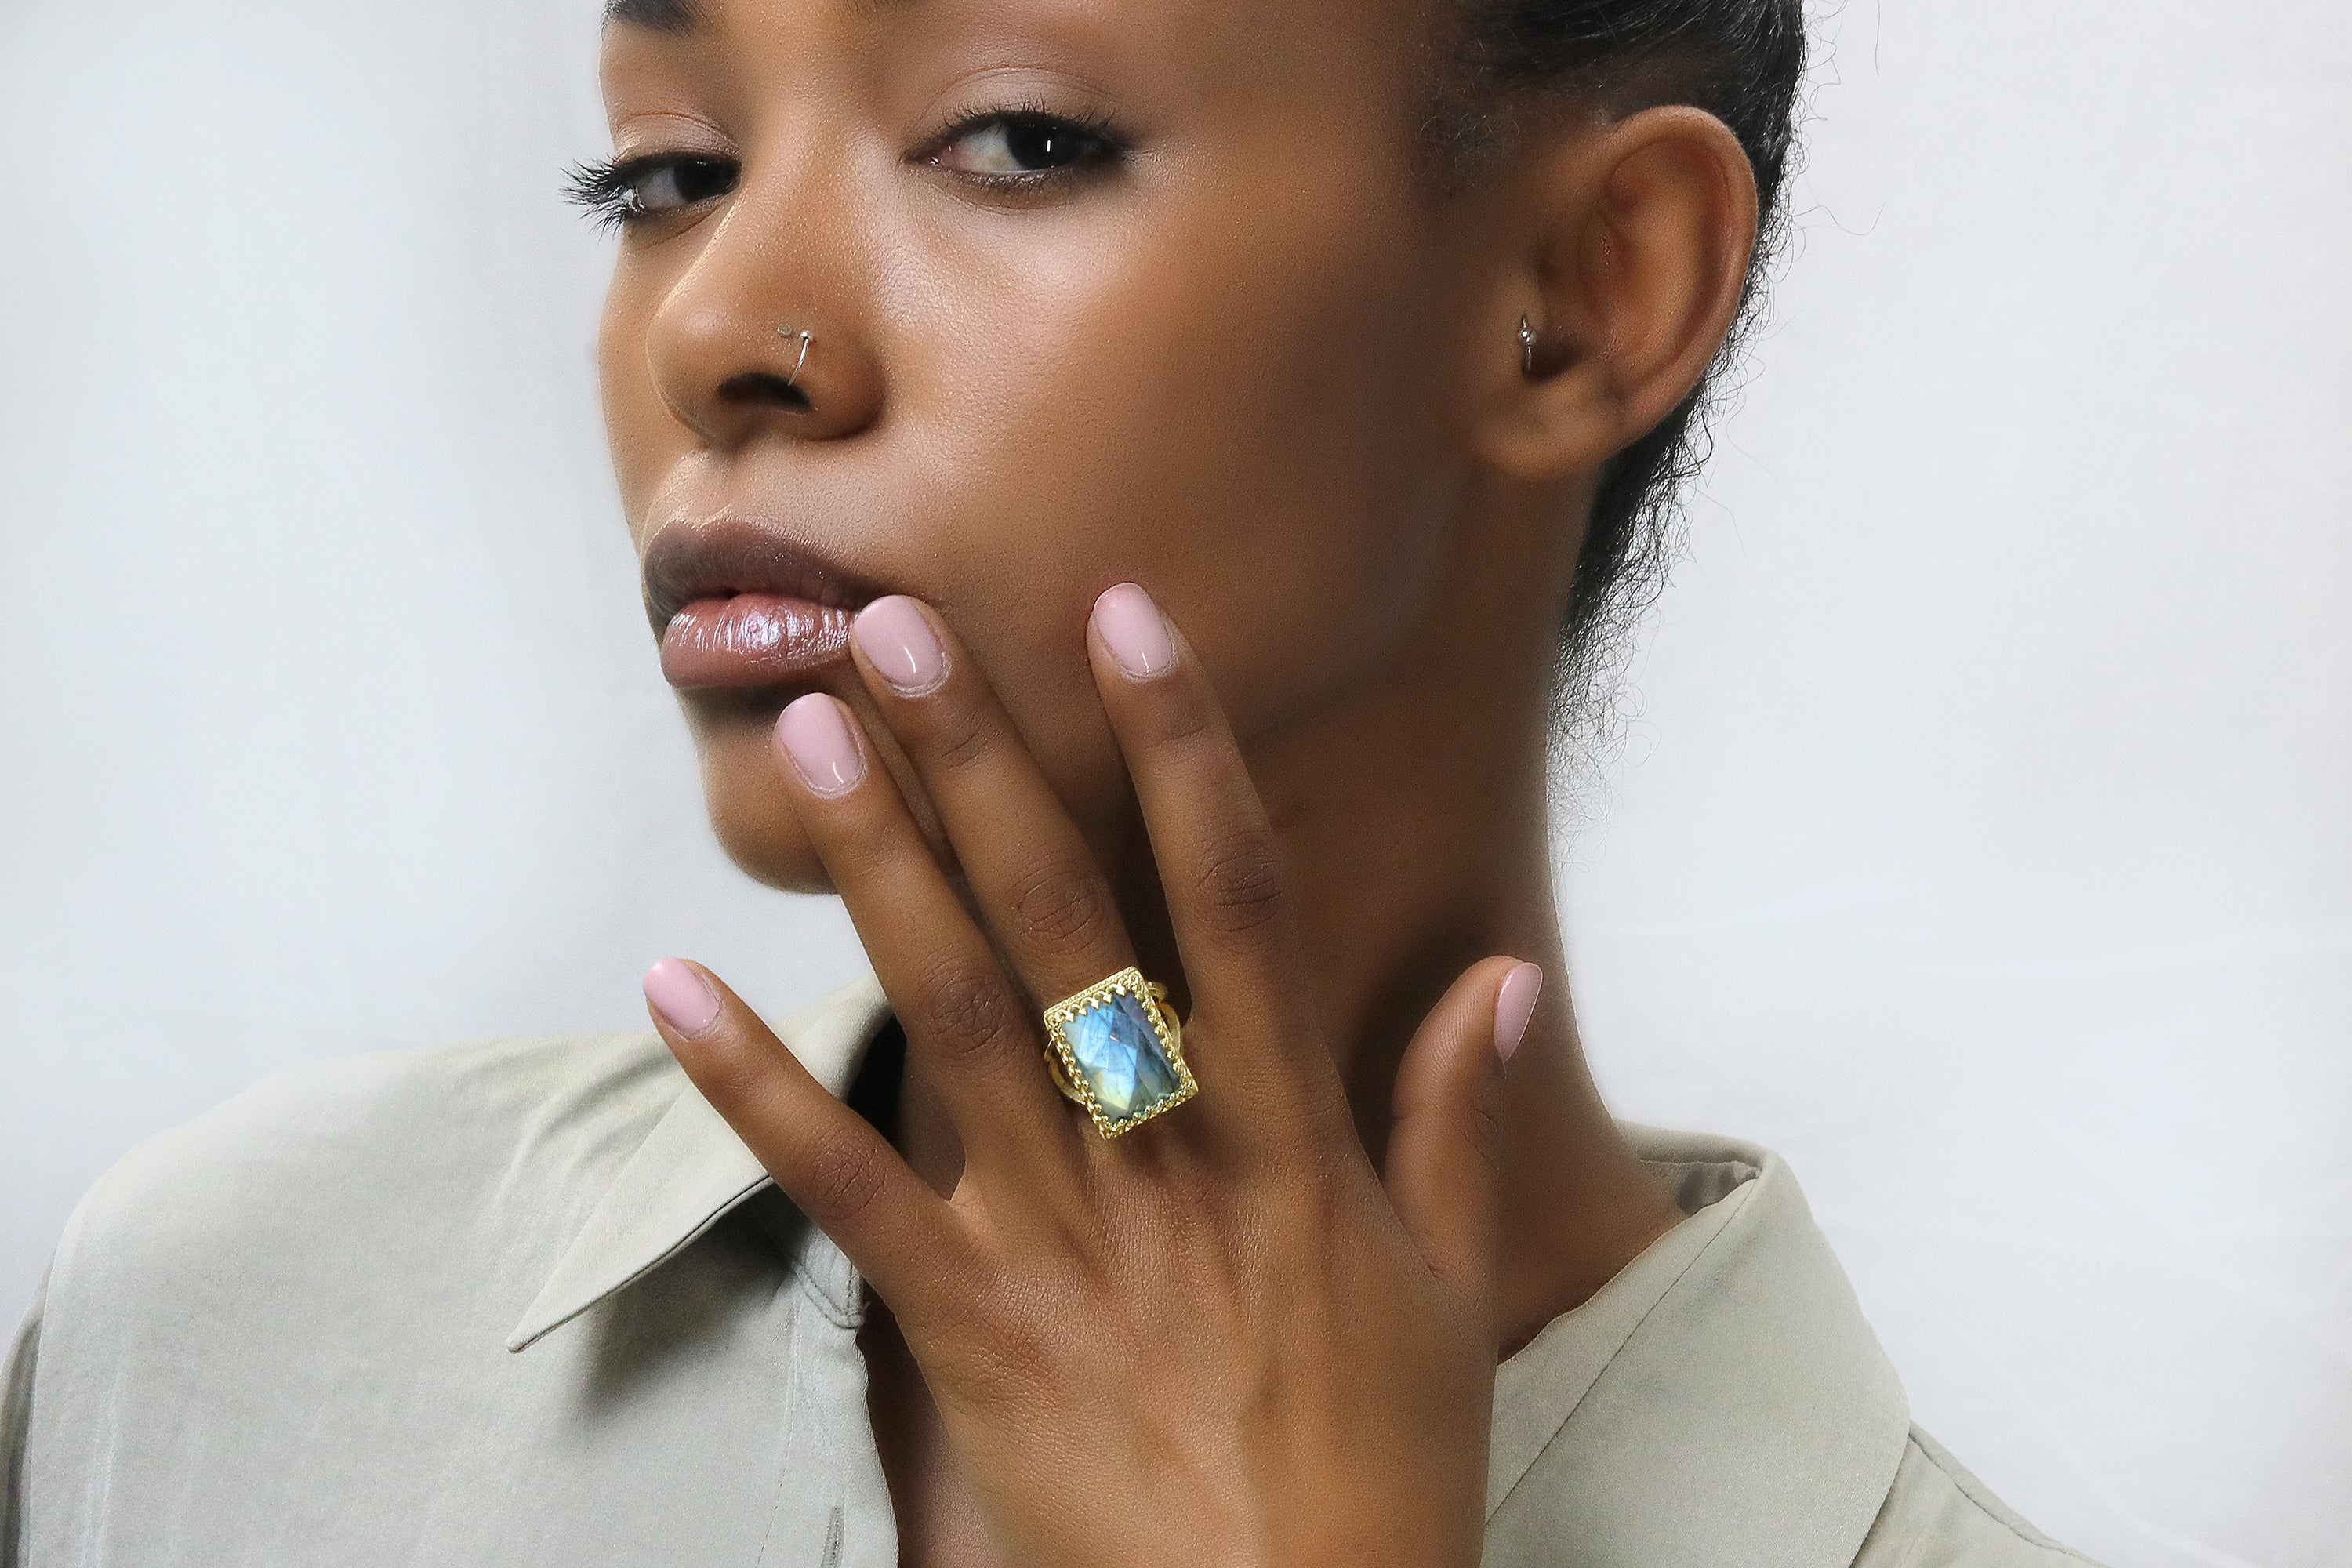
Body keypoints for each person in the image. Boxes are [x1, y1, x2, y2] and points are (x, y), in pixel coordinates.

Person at [2, 0, 2100, 1562]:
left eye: (1014, 138)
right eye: (665, 171)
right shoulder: (220, 1335)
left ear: (1586, 285)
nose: (718, 326)